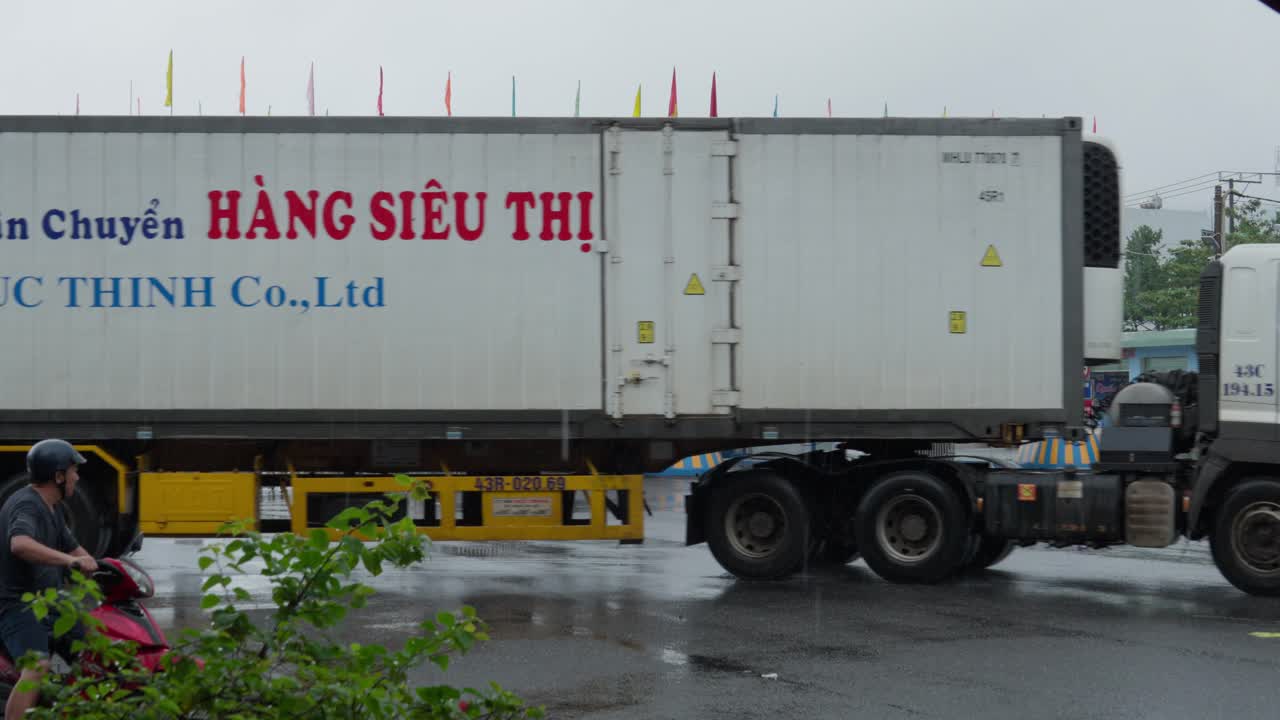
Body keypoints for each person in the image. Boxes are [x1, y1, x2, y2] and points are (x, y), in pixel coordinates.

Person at [0, 439, 97, 720]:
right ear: (57, 476)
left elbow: (77, 551)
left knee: (90, 640)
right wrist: (70, 562)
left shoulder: (52, 509)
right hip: (17, 606)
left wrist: (99, 568)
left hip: (47, 603)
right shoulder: (27, 506)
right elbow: (19, 544)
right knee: (38, 666)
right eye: (72, 471)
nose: (76, 477)